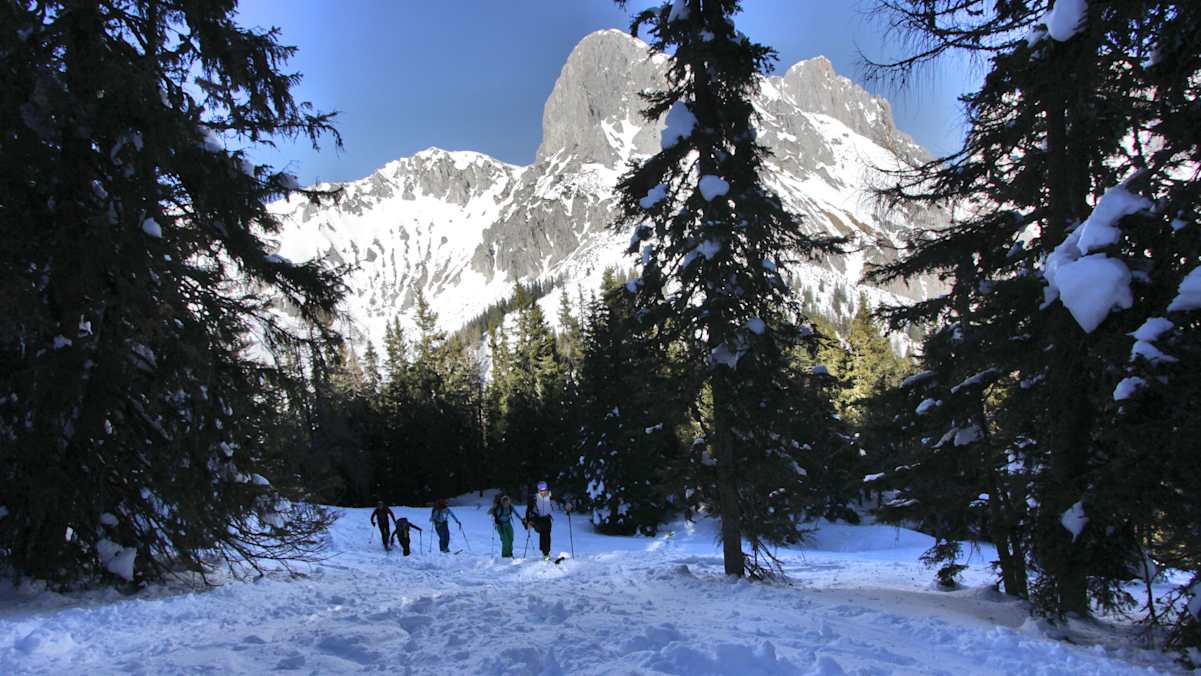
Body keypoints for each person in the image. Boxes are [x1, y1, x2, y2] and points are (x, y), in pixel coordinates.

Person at [525, 481, 571, 560]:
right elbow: (528, 510)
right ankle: (544, 552)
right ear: (538, 490)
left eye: (544, 490)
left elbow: (560, 499)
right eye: (541, 490)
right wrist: (528, 521)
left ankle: (546, 553)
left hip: (547, 519)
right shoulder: (534, 498)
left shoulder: (549, 495)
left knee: (547, 536)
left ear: (547, 490)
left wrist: (566, 504)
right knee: (543, 534)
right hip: (537, 519)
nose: (543, 492)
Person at [489, 494, 520, 558]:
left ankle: (510, 553)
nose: (506, 504)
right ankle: (505, 555)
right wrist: (493, 507)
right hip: (500, 525)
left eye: (507, 502)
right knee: (505, 540)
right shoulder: (499, 508)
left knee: (511, 539)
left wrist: (522, 519)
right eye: (505, 502)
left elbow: (516, 513)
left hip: (508, 524)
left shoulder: (510, 507)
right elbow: (489, 513)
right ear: (502, 502)